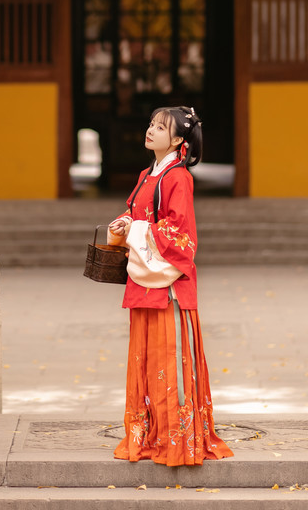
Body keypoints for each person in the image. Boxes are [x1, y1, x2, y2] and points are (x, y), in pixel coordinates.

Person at [107, 106, 234, 466]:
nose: (150, 130)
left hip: (169, 287)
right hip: (148, 280)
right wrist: (123, 223)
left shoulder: (179, 177)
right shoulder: (148, 174)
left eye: (160, 127)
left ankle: (175, 440)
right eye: (150, 124)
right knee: (147, 361)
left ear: (178, 140)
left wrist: (135, 230)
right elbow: (137, 214)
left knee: (169, 362)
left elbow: (180, 234)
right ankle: (151, 433)